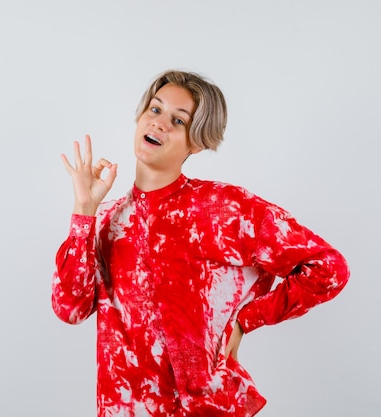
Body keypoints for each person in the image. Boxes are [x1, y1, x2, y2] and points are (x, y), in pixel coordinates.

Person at [51, 70, 349, 417]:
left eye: (178, 120)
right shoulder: (105, 221)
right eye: (155, 109)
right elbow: (69, 309)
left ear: (197, 142)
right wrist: (84, 211)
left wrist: (246, 320)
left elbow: (328, 268)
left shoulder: (224, 209)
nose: (160, 123)